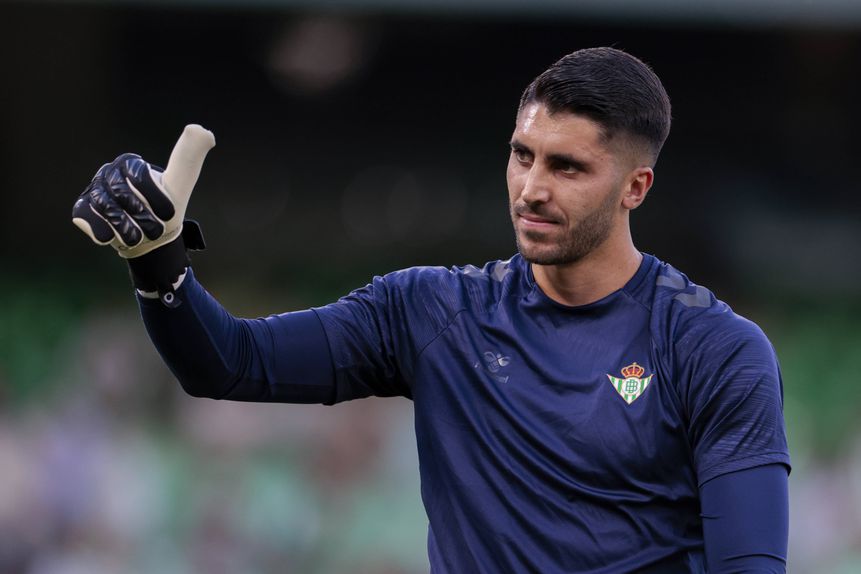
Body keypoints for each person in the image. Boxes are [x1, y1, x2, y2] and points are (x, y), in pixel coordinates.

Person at [72, 47, 790, 573]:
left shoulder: (712, 349)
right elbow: (228, 364)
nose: (531, 188)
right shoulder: (433, 312)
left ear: (635, 187)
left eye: (566, 167)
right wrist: (158, 259)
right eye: (522, 155)